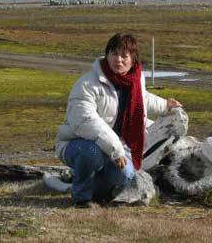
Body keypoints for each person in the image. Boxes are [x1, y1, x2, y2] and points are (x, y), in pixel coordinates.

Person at [55, 33, 182, 208]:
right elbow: (85, 121)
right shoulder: (87, 84)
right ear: (107, 55)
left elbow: (142, 100)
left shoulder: (134, 81)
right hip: (79, 143)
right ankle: (81, 198)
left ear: (133, 59)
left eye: (124, 55)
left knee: (125, 175)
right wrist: (115, 149)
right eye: (114, 54)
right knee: (91, 154)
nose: (118, 60)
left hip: (116, 147)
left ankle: (96, 191)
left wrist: (165, 105)